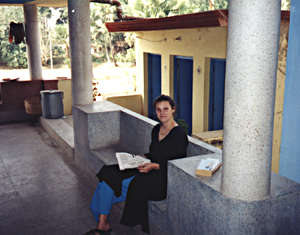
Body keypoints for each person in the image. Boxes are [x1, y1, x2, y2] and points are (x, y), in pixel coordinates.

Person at [85, 95, 188, 235]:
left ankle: (102, 225)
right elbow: (154, 153)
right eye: (158, 110)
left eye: (165, 109)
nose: (162, 113)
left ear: (173, 110)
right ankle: (103, 224)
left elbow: (176, 163)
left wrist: (154, 166)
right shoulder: (156, 129)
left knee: (119, 184)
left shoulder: (179, 134)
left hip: (162, 177)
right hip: (147, 167)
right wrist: (139, 158)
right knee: (110, 174)